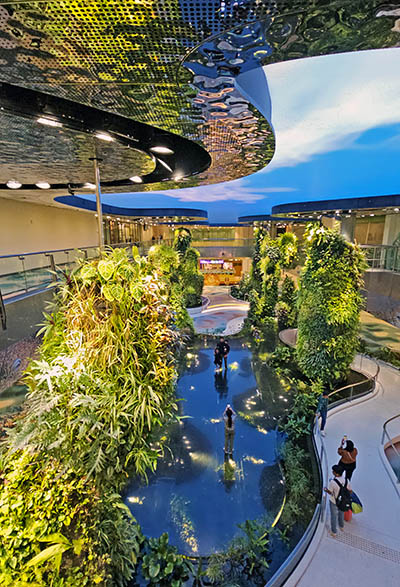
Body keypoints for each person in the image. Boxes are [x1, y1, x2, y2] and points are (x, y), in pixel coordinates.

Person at [324, 464, 352, 537]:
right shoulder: (347, 480)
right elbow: (350, 490)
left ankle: (334, 532)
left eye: (333, 471)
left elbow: (330, 492)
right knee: (341, 513)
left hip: (334, 501)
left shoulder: (333, 482)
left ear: (336, 473)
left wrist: (325, 490)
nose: (332, 472)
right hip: (343, 501)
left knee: (333, 516)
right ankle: (341, 526)